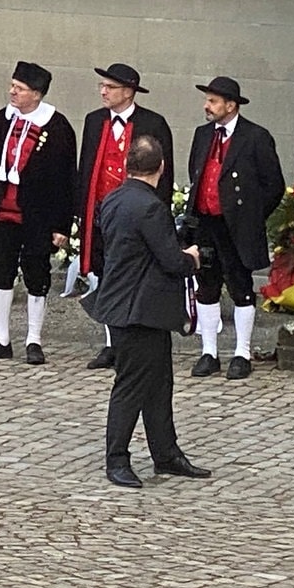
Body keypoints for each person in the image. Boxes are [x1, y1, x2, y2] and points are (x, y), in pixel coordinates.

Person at [86, 135, 210, 488]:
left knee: (159, 384)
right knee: (131, 385)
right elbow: (171, 260)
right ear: (161, 167)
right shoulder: (150, 206)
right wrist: (193, 258)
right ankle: (117, 459)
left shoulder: (113, 199)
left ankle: (166, 453)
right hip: (139, 308)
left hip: (131, 306)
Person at [0, 60, 76, 366]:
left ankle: (34, 339)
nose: (12, 92)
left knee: (36, 272)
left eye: (19, 88)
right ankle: (0, 338)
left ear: (37, 94)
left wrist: (61, 225)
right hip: (4, 209)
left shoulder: (57, 126)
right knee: (0, 270)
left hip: (38, 213)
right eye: (12, 86)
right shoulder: (1, 119)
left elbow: (66, 178)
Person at [185, 76, 285, 380]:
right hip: (205, 222)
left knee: (241, 287)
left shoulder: (255, 136)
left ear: (231, 105)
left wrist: (251, 216)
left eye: (213, 101)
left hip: (237, 225)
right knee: (207, 286)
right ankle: (209, 351)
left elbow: (274, 185)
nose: (207, 105)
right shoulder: (203, 135)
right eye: (207, 100)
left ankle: (242, 352)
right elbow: (195, 172)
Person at [77, 63, 174, 370]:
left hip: (137, 214)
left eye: (110, 87)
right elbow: (86, 168)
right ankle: (111, 343)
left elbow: (164, 175)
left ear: (129, 91)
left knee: (134, 275)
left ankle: (133, 339)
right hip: (103, 213)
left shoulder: (153, 123)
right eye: (101, 86)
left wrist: (155, 214)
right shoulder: (94, 121)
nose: (103, 92)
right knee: (106, 275)